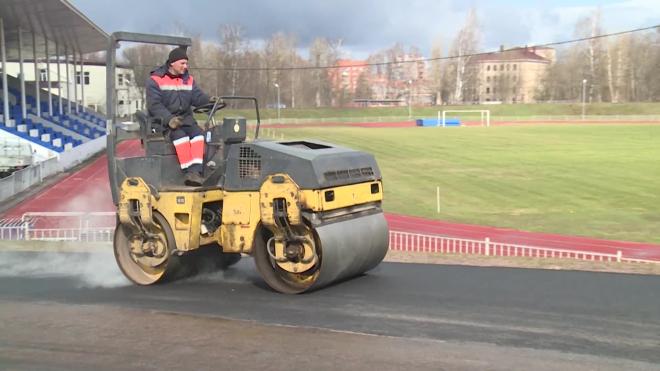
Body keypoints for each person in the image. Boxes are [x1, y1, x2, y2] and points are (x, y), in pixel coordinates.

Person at [146, 47, 211, 186]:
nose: (185, 66)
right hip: (165, 123)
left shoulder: (188, 80)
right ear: (172, 63)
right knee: (181, 137)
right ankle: (188, 172)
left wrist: (210, 101)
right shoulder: (156, 80)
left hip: (185, 120)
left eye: (186, 63)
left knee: (199, 135)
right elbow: (154, 105)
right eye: (182, 63)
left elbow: (198, 97)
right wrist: (169, 119)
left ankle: (195, 172)